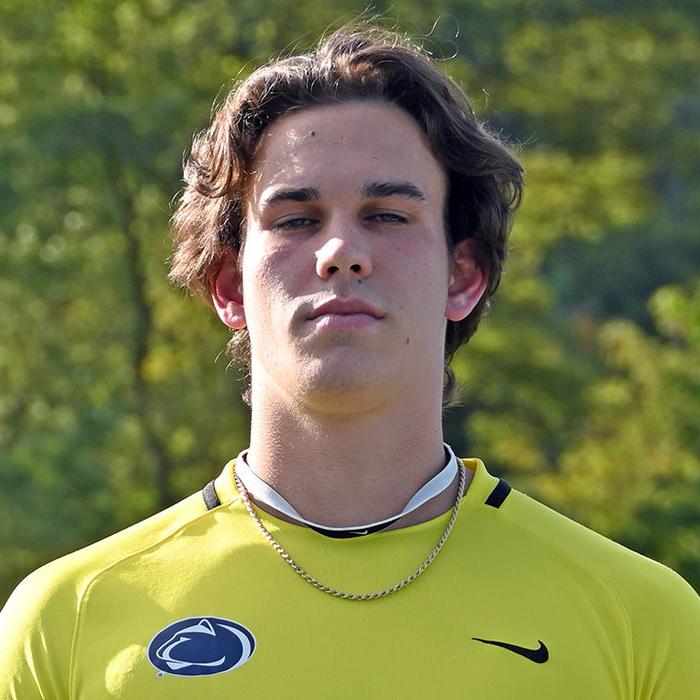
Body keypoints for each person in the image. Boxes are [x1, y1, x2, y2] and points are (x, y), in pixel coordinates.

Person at [1, 23, 698, 700]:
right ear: (226, 286)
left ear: (464, 277)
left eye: (387, 215)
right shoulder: (68, 620)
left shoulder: (644, 621)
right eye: (297, 220)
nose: (340, 252)